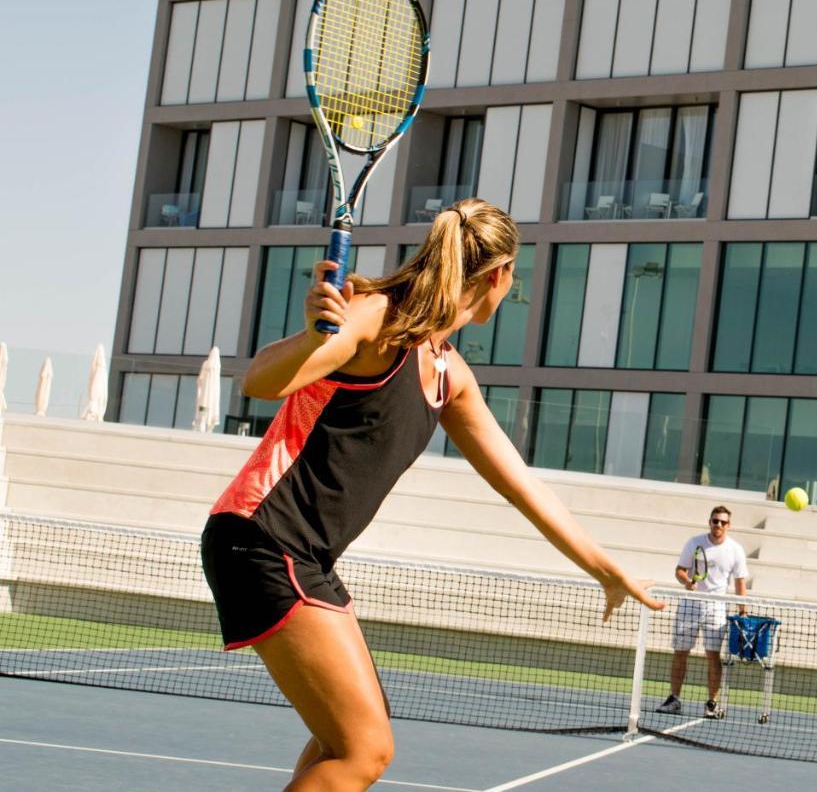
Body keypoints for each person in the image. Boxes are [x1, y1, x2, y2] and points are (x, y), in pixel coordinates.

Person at [200, 198, 664, 791]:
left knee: (341, 741)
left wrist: (606, 569)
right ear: (498, 275)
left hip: (300, 554)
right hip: (264, 539)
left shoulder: (448, 375)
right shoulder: (376, 317)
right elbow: (262, 382)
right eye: (513, 277)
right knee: (365, 749)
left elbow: (520, 484)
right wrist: (312, 335)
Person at [655, 505, 748, 719]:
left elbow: (740, 584)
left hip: (717, 607)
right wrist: (687, 582)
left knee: (713, 655)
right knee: (680, 652)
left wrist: (743, 612)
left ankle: (712, 703)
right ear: (710, 522)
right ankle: (674, 699)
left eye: (723, 522)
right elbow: (680, 570)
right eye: (715, 521)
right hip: (690, 604)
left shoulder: (735, 550)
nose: (718, 525)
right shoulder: (694, 542)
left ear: (728, 525)